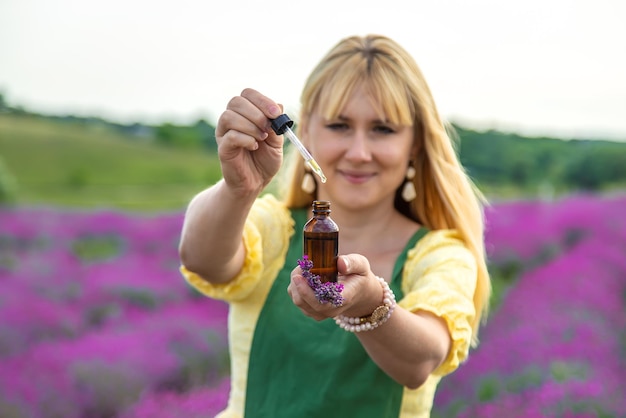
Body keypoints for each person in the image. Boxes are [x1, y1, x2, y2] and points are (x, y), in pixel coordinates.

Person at [178, 34, 491, 418]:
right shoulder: (277, 229)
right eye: (340, 126)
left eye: (383, 129)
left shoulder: (440, 254)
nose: (359, 152)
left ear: (415, 145)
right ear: (304, 131)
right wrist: (238, 189)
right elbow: (202, 259)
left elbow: (421, 361)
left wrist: (371, 304)